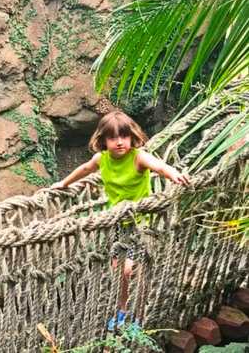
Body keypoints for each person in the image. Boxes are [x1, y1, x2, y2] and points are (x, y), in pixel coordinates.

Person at [51, 110, 189, 331]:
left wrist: (174, 174)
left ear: (131, 137)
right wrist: (64, 184)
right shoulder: (101, 159)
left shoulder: (138, 156)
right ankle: (122, 311)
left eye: (124, 136)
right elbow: (84, 169)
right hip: (117, 223)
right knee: (117, 270)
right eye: (113, 138)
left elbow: (160, 166)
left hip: (141, 223)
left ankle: (139, 313)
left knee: (130, 270)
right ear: (103, 141)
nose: (119, 142)